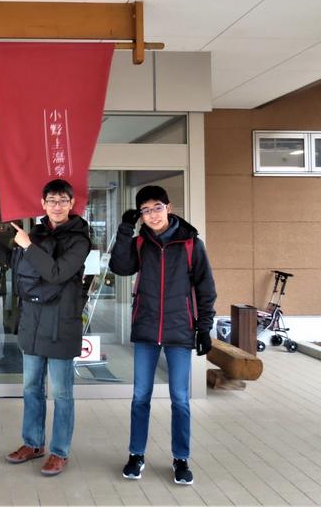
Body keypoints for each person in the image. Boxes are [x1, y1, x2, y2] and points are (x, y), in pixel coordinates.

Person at [0, 179, 91, 476]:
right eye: (51, 200)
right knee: (31, 388)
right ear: (42, 204)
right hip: (33, 321)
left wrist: (28, 245)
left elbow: (56, 273)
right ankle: (33, 443)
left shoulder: (80, 239)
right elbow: (18, 263)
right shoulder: (37, 233)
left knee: (63, 393)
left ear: (71, 204)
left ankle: (60, 451)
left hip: (61, 324)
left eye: (62, 200)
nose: (56, 206)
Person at [109, 185, 216, 485]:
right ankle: (136, 455)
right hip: (146, 329)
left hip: (180, 330)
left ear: (168, 207)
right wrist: (125, 230)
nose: (152, 215)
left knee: (180, 399)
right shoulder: (141, 242)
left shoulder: (192, 244)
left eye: (157, 208)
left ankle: (180, 459)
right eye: (145, 210)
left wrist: (204, 328)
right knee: (140, 396)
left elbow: (206, 288)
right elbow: (119, 267)